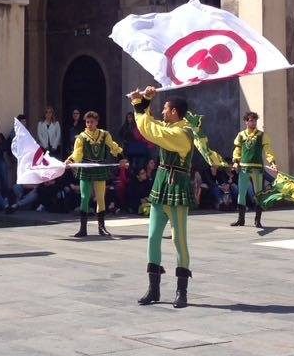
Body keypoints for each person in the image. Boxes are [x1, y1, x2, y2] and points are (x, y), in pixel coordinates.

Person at [130, 86, 200, 309]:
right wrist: (145, 101)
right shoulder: (169, 126)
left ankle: (182, 291)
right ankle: (154, 289)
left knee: (179, 240)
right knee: (152, 237)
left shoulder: (182, 133)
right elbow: (149, 124)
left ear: (174, 112)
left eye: (166, 109)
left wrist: (141, 104)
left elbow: (149, 130)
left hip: (177, 186)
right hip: (161, 184)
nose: (163, 112)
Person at [65, 111, 124, 237]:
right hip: (86, 168)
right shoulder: (81, 137)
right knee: (84, 197)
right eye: (87, 122)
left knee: (101, 198)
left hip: (99, 168)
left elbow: (113, 146)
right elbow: (77, 152)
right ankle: (83, 229)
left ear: (97, 122)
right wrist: (71, 160)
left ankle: (101, 227)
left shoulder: (104, 134)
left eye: (92, 122)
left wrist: (121, 157)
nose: (89, 124)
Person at [230, 112, 277, 228]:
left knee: (258, 194)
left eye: (254, 121)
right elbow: (237, 150)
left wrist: (272, 163)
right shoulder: (241, 135)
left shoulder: (262, 135)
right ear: (246, 121)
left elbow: (268, 150)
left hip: (257, 169)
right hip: (244, 168)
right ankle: (241, 220)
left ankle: (257, 220)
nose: (253, 122)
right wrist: (236, 162)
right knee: (241, 194)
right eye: (250, 120)